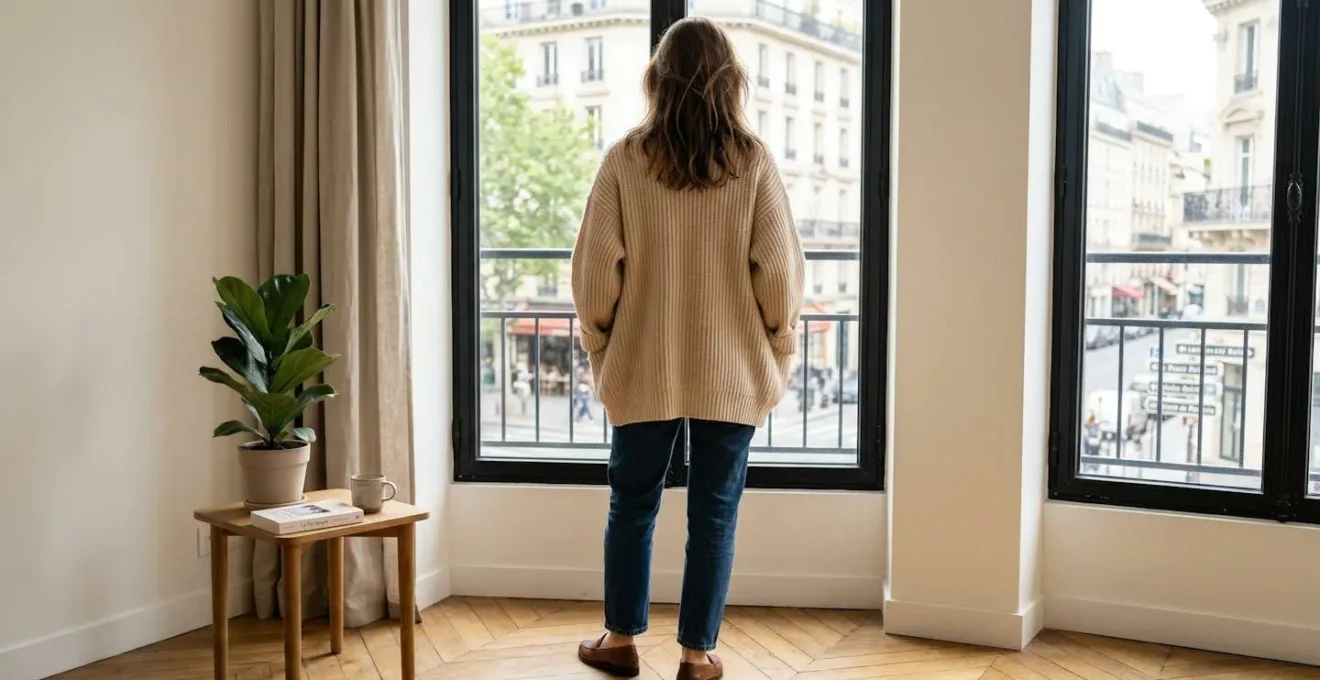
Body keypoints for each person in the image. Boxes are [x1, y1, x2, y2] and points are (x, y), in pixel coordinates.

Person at [570, 17, 804, 680]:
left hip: (641, 365)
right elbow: (779, 273)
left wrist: (601, 341)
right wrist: (779, 341)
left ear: (658, 79)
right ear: (731, 81)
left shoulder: (624, 158)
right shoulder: (753, 160)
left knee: (633, 503)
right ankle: (698, 655)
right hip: (732, 370)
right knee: (715, 514)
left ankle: (619, 641)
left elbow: (594, 275)